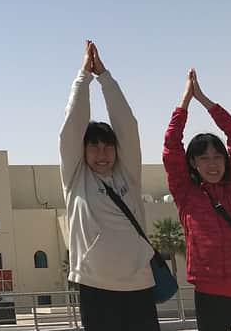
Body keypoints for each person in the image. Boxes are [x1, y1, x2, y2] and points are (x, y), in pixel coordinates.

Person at [163, 68, 231, 331]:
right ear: (193, 163)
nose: (212, 164)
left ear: (226, 160)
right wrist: (184, 102)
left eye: (217, 157)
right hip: (209, 293)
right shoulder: (186, 193)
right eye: (204, 158)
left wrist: (204, 99)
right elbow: (171, 147)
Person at [59, 40, 158, 331]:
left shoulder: (129, 175)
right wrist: (83, 77)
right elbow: (71, 125)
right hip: (94, 285)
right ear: (83, 150)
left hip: (139, 284)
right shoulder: (76, 178)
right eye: (94, 147)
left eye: (108, 147)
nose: (102, 155)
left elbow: (127, 124)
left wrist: (105, 78)